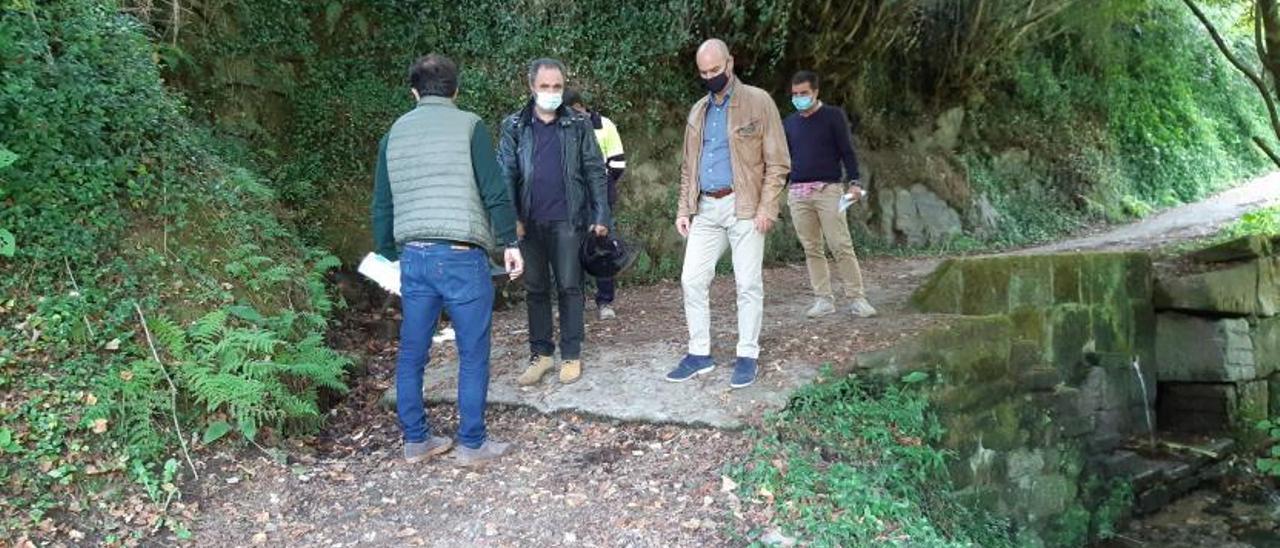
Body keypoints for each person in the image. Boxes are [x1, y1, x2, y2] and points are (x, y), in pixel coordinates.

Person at [370, 54, 523, 465]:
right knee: (472, 352)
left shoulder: (394, 133)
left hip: (415, 257)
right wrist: (509, 240)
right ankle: (472, 444)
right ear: (455, 90)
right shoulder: (469, 126)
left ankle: (416, 440)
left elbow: (383, 203)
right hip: (460, 256)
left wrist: (387, 253)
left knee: (412, 352)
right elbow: (494, 191)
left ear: (414, 92)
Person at [667, 39, 790, 389]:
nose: (710, 77)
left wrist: (768, 206)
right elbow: (688, 166)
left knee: (748, 283)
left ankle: (747, 355)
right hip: (706, 207)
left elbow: (778, 161)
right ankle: (699, 354)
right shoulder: (697, 111)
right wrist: (684, 208)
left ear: (730, 64)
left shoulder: (758, 101)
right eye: (703, 73)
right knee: (692, 278)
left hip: (746, 207)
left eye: (715, 71)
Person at [499, 58, 612, 386]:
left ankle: (572, 355)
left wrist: (600, 214)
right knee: (535, 289)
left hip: (568, 221)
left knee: (570, 287)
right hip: (529, 223)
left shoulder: (578, 125)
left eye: (557, 87)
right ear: (531, 87)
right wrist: (512, 220)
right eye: (545, 86)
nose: (551, 92)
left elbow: (595, 170)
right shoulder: (514, 126)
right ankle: (542, 355)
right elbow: (505, 173)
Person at [784, 70, 877, 318]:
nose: (799, 98)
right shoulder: (790, 123)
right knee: (812, 248)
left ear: (815, 92)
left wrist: (854, 181)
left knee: (840, 244)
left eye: (804, 93)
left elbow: (847, 151)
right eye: (795, 94)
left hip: (829, 190)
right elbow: (785, 159)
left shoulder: (833, 116)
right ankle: (823, 299)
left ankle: (857, 298)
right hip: (798, 193)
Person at [564, 89, 626, 320]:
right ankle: (575, 302)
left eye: (574, 111)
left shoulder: (605, 126)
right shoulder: (563, 127)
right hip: (571, 202)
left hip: (600, 201)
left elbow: (618, 164)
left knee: (602, 251)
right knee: (572, 251)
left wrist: (600, 188)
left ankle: (605, 301)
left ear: (582, 107)